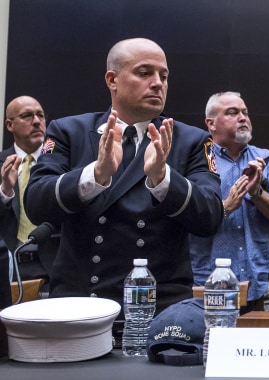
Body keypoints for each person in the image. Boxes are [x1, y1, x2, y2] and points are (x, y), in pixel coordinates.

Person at [25, 38, 223, 315]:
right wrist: (96, 174)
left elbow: (211, 216)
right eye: (145, 73)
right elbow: (36, 204)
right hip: (80, 305)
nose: (158, 83)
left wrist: (162, 178)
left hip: (160, 308)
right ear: (112, 79)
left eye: (163, 76)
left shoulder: (192, 140)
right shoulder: (68, 131)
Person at [189, 92, 269, 312]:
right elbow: (183, 216)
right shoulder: (197, 162)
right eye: (232, 113)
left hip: (260, 285)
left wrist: (256, 192)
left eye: (245, 112)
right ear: (211, 124)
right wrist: (223, 208)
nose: (243, 117)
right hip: (208, 285)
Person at [1, 96, 58, 289]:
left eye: (40, 116)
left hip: (53, 266)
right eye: (27, 116)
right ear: (10, 125)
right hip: (9, 267)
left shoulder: (59, 161)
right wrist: (5, 191)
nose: (36, 121)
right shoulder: (1, 164)